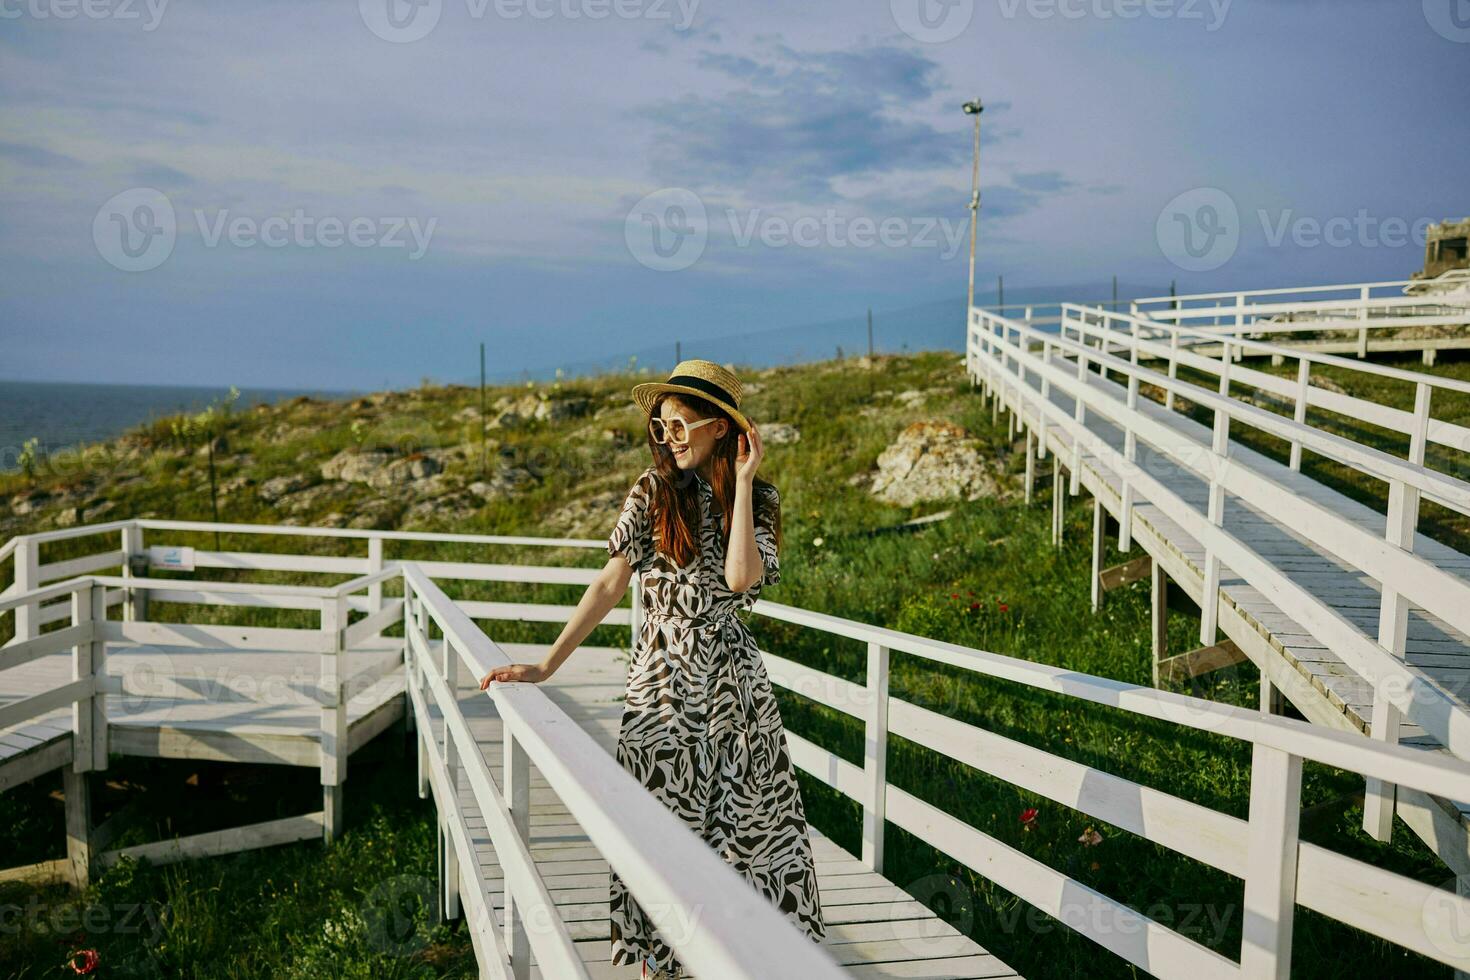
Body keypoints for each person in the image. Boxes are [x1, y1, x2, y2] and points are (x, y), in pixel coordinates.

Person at [479, 359, 826, 979]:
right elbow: (611, 583)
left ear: (721, 427)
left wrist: (744, 484)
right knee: (660, 838)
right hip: (662, 694)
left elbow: (742, 579)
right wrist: (547, 663)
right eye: (660, 428)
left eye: (681, 425)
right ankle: (657, 968)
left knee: (759, 838)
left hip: (738, 696)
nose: (669, 438)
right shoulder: (652, 491)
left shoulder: (762, 499)